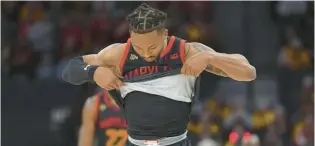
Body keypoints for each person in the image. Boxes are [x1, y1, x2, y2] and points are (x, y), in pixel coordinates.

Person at [62, 3, 256, 146]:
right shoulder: (118, 54)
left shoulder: (186, 51)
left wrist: (209, 58)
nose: (146, 54)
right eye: (139, 47)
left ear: (165, 35)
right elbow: (70, 69)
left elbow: (248, 72)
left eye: (152, 47)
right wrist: (94, 72)